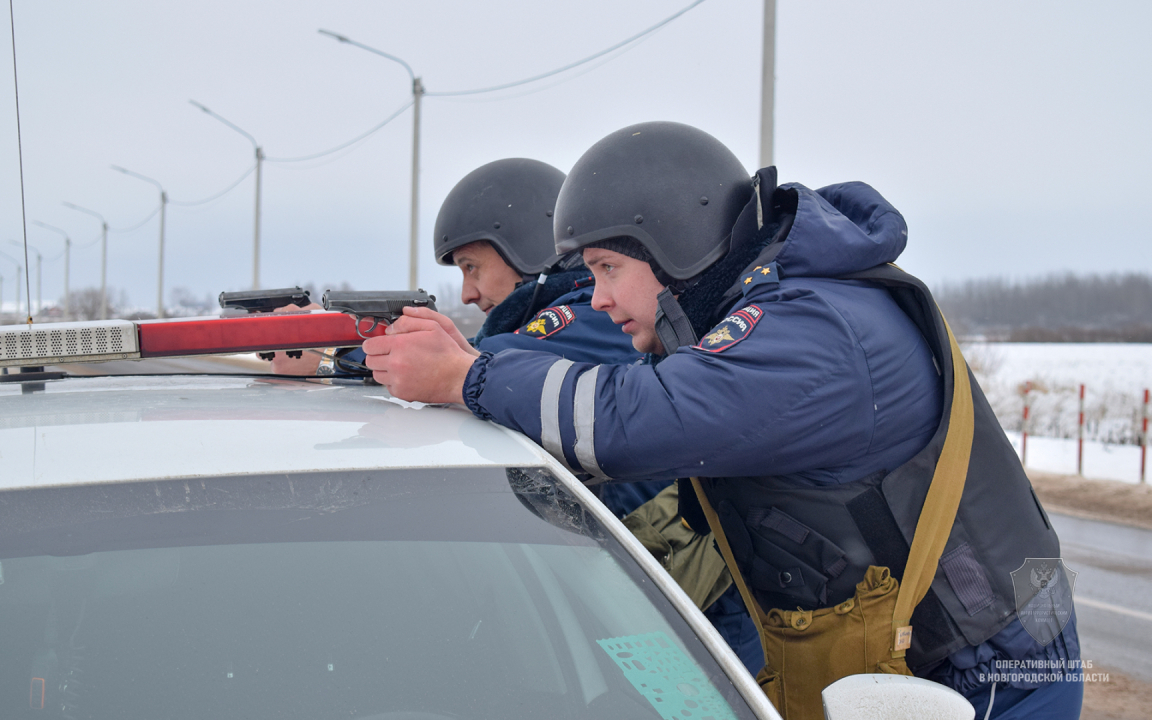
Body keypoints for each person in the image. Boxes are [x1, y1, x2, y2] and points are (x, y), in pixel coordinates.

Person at [360, 122, 1082, 719]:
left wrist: (470, 376)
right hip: (904, 663)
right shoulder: (767, 314)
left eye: (609, 268)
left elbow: (642, 418)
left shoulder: (814, 330)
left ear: (676, 242)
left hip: (986, 671)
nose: (599, 299)